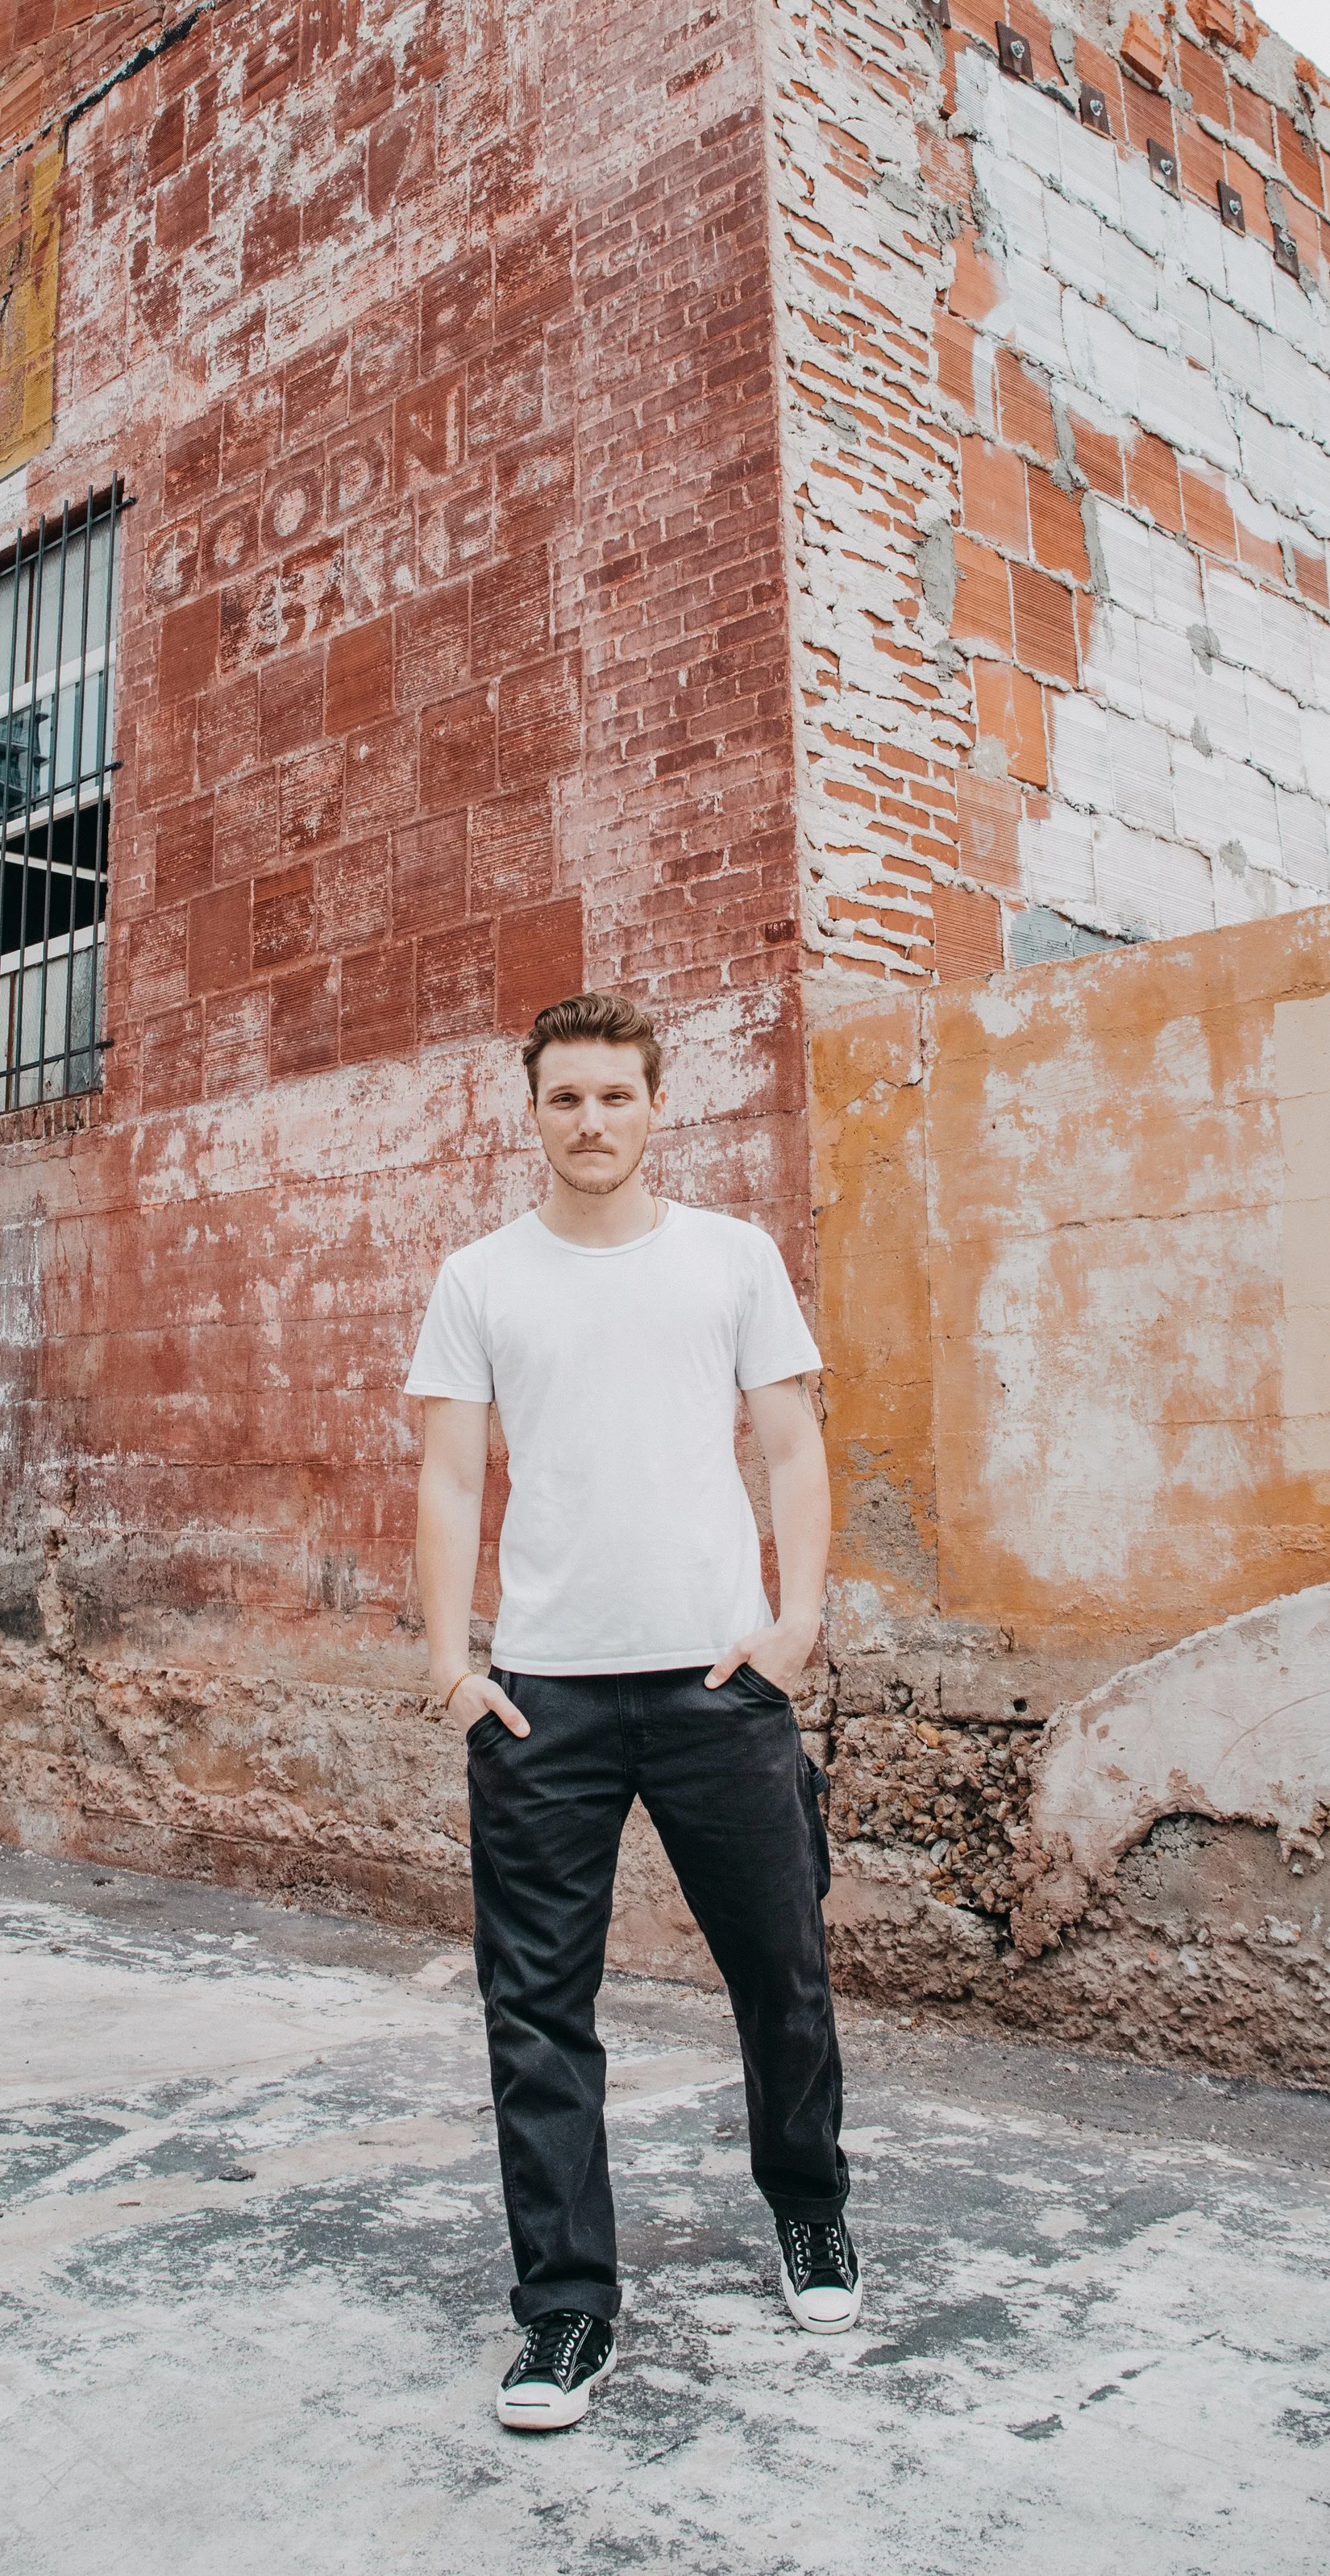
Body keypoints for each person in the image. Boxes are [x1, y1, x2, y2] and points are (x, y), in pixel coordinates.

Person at [406, 988, 858, 2433]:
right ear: (530, 1112)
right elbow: (448, 1477)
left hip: (720, 1686)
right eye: (565, 1099)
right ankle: (566, 2312)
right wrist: (448, 1662)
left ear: (658, 1104)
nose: (590, 1122)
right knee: (537, 2013)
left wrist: (795, 1623)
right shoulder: (481, 1278)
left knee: (779, 1969)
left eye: (615, 1095)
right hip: (542, 1702)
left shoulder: (731, 1257)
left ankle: (811, 2211)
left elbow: (793, 1444)